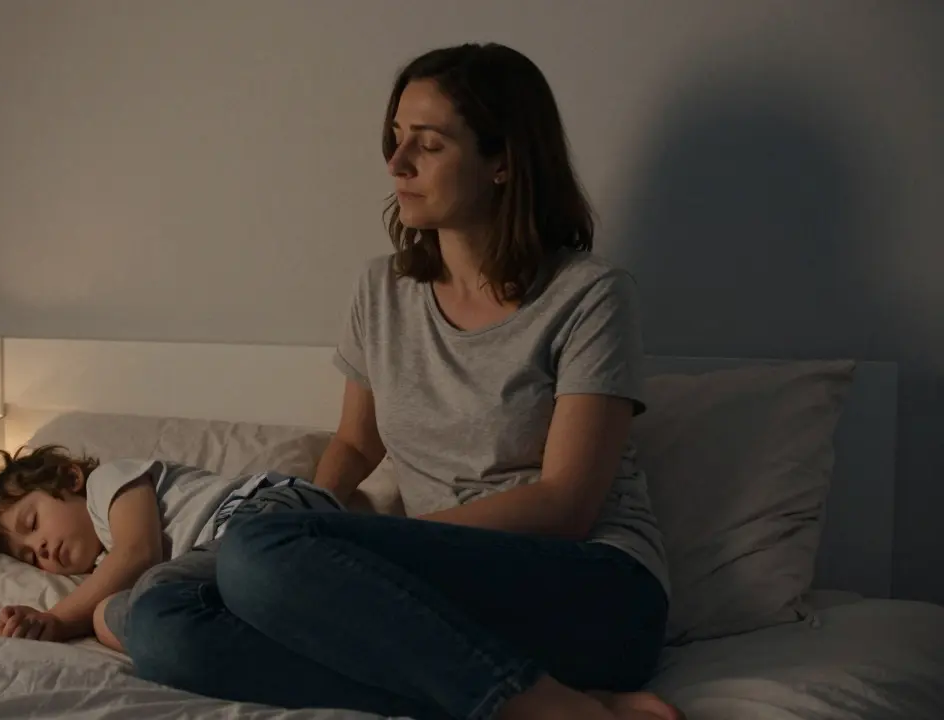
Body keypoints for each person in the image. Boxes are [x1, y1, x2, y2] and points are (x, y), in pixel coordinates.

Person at [120, 42, 684, 720]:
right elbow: (356, 447)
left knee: (256, 551)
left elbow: (566, 505)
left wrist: (368, 551)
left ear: (503, 161)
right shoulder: (380, 289)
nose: (396, 164)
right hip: (434, 601)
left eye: (430, 144)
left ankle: (542, 707)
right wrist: (306, 543)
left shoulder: (589, 295)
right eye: (394, 139)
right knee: (160, 618)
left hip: (592, 593)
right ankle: (540, 697)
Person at [0, 444, 343, 652]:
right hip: (233, 568)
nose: (42, 549)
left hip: (265, 512)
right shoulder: (103, 563)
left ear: (69, 478)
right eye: (30, 556)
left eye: (32, 523)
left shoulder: (107, 484)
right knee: (111, 615)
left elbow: (138, 552)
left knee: (137, 601)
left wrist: (59, 619)